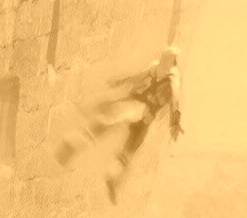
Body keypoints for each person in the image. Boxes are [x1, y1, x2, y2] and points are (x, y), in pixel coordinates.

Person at [57, 46, 184, 203]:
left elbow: (173, 100)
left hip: (138, 109)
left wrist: (175, 121)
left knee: (109, 126)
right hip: (143, 114)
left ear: (170, 59)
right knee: (127, 146)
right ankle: (111, 174)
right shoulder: (160, 69)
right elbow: (139, 79)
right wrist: (120, 82)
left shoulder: (169, 75)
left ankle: (76, 146)